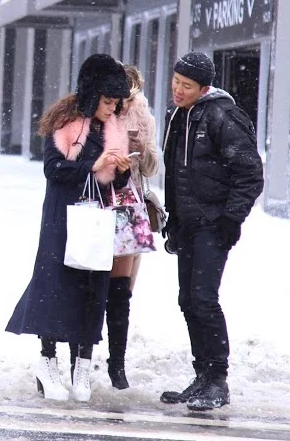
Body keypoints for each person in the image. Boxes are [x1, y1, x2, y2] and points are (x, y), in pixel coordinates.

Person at [5, 54, 132, 403]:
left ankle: (82, 364)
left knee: (93, 288)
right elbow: (53, 168)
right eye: (108, 101)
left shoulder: (114, 127)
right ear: (93, 96)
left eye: (117, 102)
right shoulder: (66, 122)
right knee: (55, 286)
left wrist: (119, 169)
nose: (112, 108)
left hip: (97, 218)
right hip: (62, 217)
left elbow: (118, 180)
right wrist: (93, 165)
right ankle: (46, 363)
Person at [160, 52, 263, 411]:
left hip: (212, 223)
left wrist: (230, 219)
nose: (177, 90)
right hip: (187, 223)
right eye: (175, 82)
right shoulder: (178, 116)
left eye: (186, 86)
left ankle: (218, 379)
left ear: (204, 88)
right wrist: (172, 217)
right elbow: (174, 172)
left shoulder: (223, 116)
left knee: (204, 299)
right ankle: (202, 375)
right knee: (187, 300)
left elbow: (250, 174)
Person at [105, 65, 160, 390]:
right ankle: (84, 357)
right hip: (99, 205)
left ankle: (117, 364)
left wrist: (142, 141)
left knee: (122, 292)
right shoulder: (100, 113)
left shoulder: (143, 117)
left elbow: (153, 167)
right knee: (96, 288)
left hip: (130, 207)